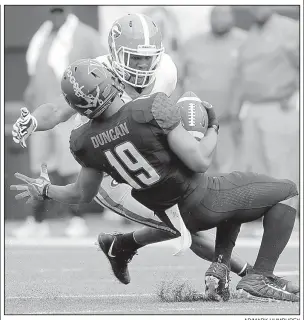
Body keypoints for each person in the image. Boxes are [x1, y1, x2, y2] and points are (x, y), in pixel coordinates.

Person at [11, 59, 299, 303]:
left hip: (173, 216)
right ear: (111, 83)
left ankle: (220, 270)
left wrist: (46, 190)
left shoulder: (83, 141)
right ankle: (259, 276)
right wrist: (212, 127)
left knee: (234, 191)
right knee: (288, 192)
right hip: (202, 200)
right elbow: (200, 160)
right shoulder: (149, 107)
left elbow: (81, 194)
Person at [12, 5, 106, 238]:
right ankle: (37, 221)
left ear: (68, 10)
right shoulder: (42, 36)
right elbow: (37, 73)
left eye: (60, 10)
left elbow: (103, 70)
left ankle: (77, 219)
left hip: (68, 113)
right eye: (52, 11)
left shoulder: (86, 35)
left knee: (71, 167)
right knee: (41, 168)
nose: (55, 15)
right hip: (42, 114)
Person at [231, 6, 299, 188]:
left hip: (279, 107)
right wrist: (236, 112)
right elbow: (241, 76)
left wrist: (296, 93)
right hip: (252, 107)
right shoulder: (250, 34)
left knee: (281, 165)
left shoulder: (291, 28)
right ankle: (267, 214)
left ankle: (289, 214)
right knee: (257, 167)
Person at [181, 6, 248, 173]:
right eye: (215, 14)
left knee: (231, 173)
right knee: (200, 171)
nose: (219, 19)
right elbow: (178, 79)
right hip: (197, 125)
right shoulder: (192, 43)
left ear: (232, 17)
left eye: (223, 14)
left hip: (230, 123)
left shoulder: (245, 42)